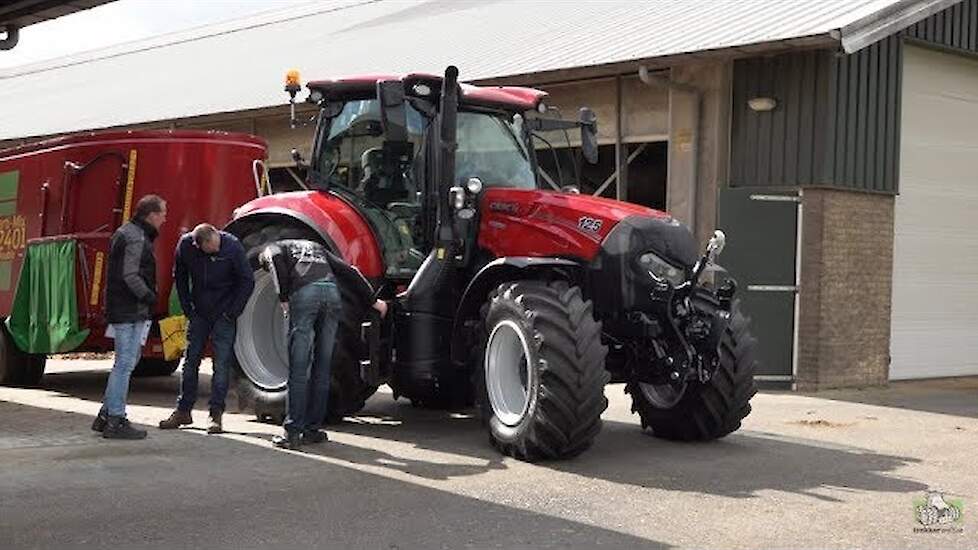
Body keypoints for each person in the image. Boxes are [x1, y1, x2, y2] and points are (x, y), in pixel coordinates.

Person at [258, 239, 387, 450]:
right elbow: (350, 272)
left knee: (299, 368)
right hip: (332, 295)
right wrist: (373, 300)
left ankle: (292, 432)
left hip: (306, 294)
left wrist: (283, 298)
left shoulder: (272, 248)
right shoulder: (316, 248)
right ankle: (312, 430)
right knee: (322, 366)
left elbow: (275, 262)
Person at [158, 223, 254, 434]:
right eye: (211, 248)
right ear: (199, 245)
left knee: (221, 365)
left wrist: (233, 311)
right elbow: (180, 276)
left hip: (224, 313)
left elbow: (247, 280)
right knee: (190, 361)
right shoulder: (186, 247)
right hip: (199, 312)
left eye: (217, 245)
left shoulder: (232, 246)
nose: (216, 250)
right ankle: (183, 411)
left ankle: (215, 414)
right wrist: (187, 308)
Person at [92, 194, 167, 440]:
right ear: (152, 215)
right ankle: (115, 418)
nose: (165, 219)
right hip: (129, 308)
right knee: (125, 363)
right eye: (163, 213)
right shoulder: (136, 236)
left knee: (128, 361)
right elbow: (130, 274)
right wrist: (148, 296)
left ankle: (106, 415)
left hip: (125, 308)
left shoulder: (130, 233)